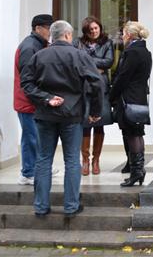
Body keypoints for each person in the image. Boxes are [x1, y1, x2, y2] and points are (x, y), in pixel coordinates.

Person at [20, 20, 103, 217]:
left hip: (45, 114)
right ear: (67, 35)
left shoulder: (39, 56)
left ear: (52, 35)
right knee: (72, 160)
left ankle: (41, 206)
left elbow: (26, 83)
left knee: (43, 160)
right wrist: (95, 110)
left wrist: (46, 98)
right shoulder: (79, 55)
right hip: (71, 114)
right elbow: (96, 82)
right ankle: (71, 206)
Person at [110, 21, 152, 187]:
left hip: (129, 98)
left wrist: (111, 96)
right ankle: (139, 170)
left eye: (123, 33)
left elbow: (123, 77)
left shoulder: (132, 52)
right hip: (139, 97)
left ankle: (136, 172)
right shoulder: (144, 51)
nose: (122, 36)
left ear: (129, 34)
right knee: (138, 132)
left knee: (132, 134)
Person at [13, 13, 53, 185]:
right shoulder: (30, 47)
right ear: (38, 28)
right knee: (31, 138)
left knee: (37, 137)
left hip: (35, 101)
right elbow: (28, 78)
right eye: (48, 29)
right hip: (28, 102)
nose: (50, 33)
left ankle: (38, 168)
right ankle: (28, 173)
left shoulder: (39, 44)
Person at [74, 16, 114, 176]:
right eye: (91, 30)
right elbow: (77, 60)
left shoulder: (107, 43)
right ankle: (85, 161)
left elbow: (109, 62)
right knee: (84, 123)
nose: (94, 31)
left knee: (100, 123)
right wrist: (95, 65)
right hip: (83, 87)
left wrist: (88, 63)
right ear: (86, 31)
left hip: (101, 88)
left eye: (96, 28)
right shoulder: (78, 43)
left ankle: (96, 160)